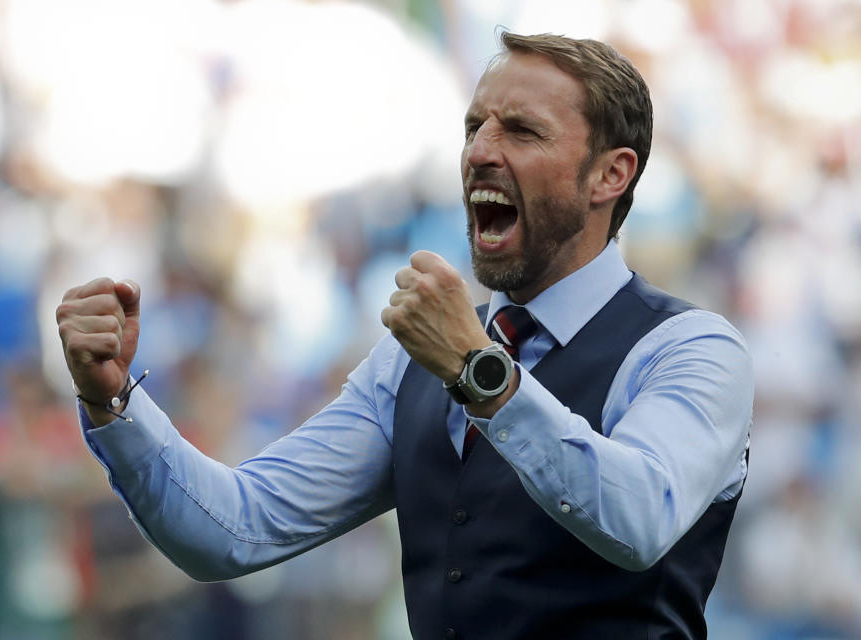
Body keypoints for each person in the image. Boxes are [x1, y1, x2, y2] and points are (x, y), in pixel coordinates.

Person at [56, 32, 752, 639]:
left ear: (610, 174)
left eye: (521, 131)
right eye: (474, 125)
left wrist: (481, 373)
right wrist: (113, 405)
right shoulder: (416, 359)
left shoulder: (689, 349)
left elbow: (637, 522)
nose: (479, 151)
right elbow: (233, 530)